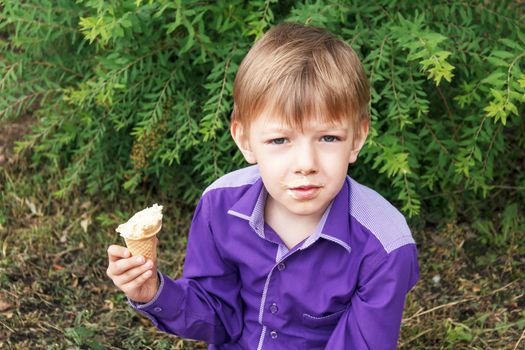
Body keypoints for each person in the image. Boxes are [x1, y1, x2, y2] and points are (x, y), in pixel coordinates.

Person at [106, 22, 419, 349]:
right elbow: (216, 316)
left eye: (328, 137)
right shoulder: (219, 206)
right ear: (245, 139)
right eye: (280, 139)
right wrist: (153, 292)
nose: (305, 164)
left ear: (357, 138)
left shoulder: (385, 246)